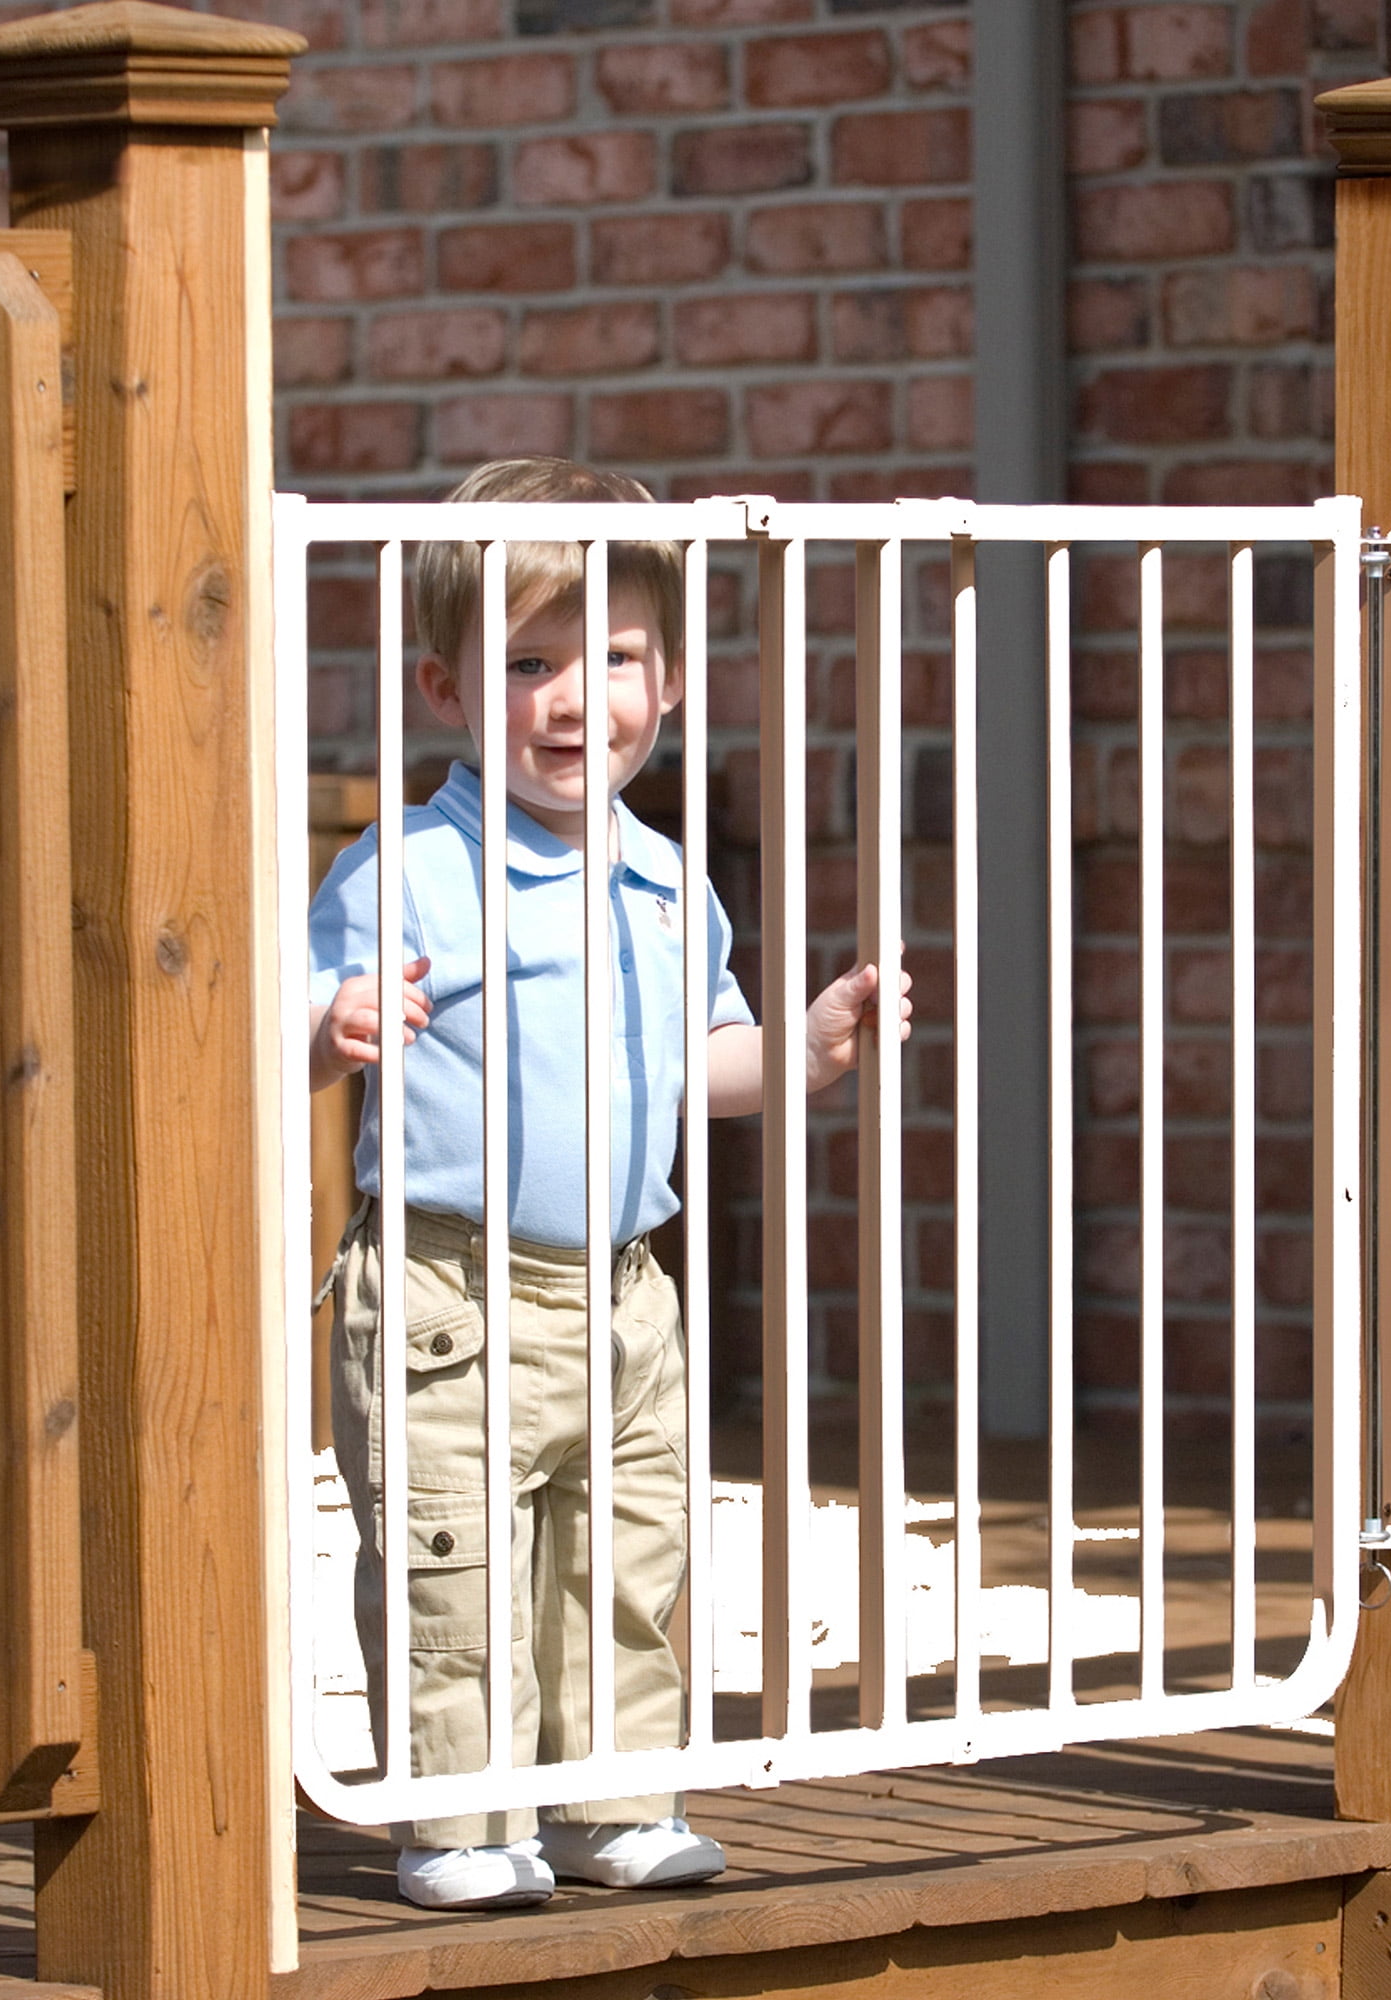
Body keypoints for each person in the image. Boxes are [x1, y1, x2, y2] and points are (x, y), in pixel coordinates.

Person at [308, 456, 909, 1913]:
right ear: (447, 689)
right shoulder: (411, 868)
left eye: (616, 658)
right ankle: (462, 1816)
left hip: (630, 1295)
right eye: (529, 663)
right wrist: (334, 1026)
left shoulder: (664, 876)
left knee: (624, 1557)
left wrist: (801, 1055)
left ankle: (610, 1803)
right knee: (456, 1570)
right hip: (452, 1291)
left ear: (673, 681)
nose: (579, 700)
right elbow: (305, 1017)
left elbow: (699, 1063)